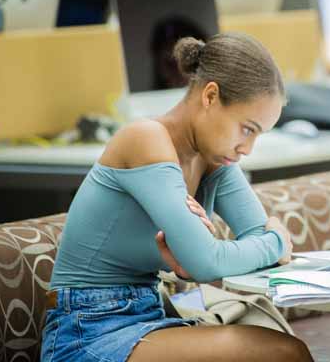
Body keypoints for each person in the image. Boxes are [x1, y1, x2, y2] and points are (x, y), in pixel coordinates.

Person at [42, 33, 312, 362]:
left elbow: (246, 246)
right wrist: (278, 241)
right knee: (283, 353)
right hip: (89, 329)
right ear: (211, 96)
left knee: (281, 347)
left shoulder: (214, 157)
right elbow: (210, 261)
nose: (247, 149)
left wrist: (253, 247)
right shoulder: (145, 139)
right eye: (247, 128)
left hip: (152, 315)